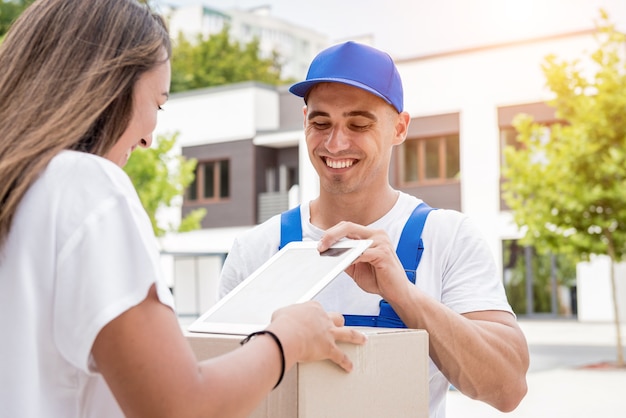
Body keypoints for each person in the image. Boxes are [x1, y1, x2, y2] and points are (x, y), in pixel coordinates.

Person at [0, 1, 367, 417]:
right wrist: (287, 339)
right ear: (109, 86)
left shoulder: (21, 190)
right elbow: (179, 406)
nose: (148, 140)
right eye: (158, 104)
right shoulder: (84, 186)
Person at [218, 41, 530, 417]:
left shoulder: (448, 237)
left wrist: (405, 296)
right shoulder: (256, 250)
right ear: (304, 122)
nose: (336, 143)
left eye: (358, 124)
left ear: (399, 127)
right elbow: (217, 397)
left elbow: (507, 388)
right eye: (321, 123)